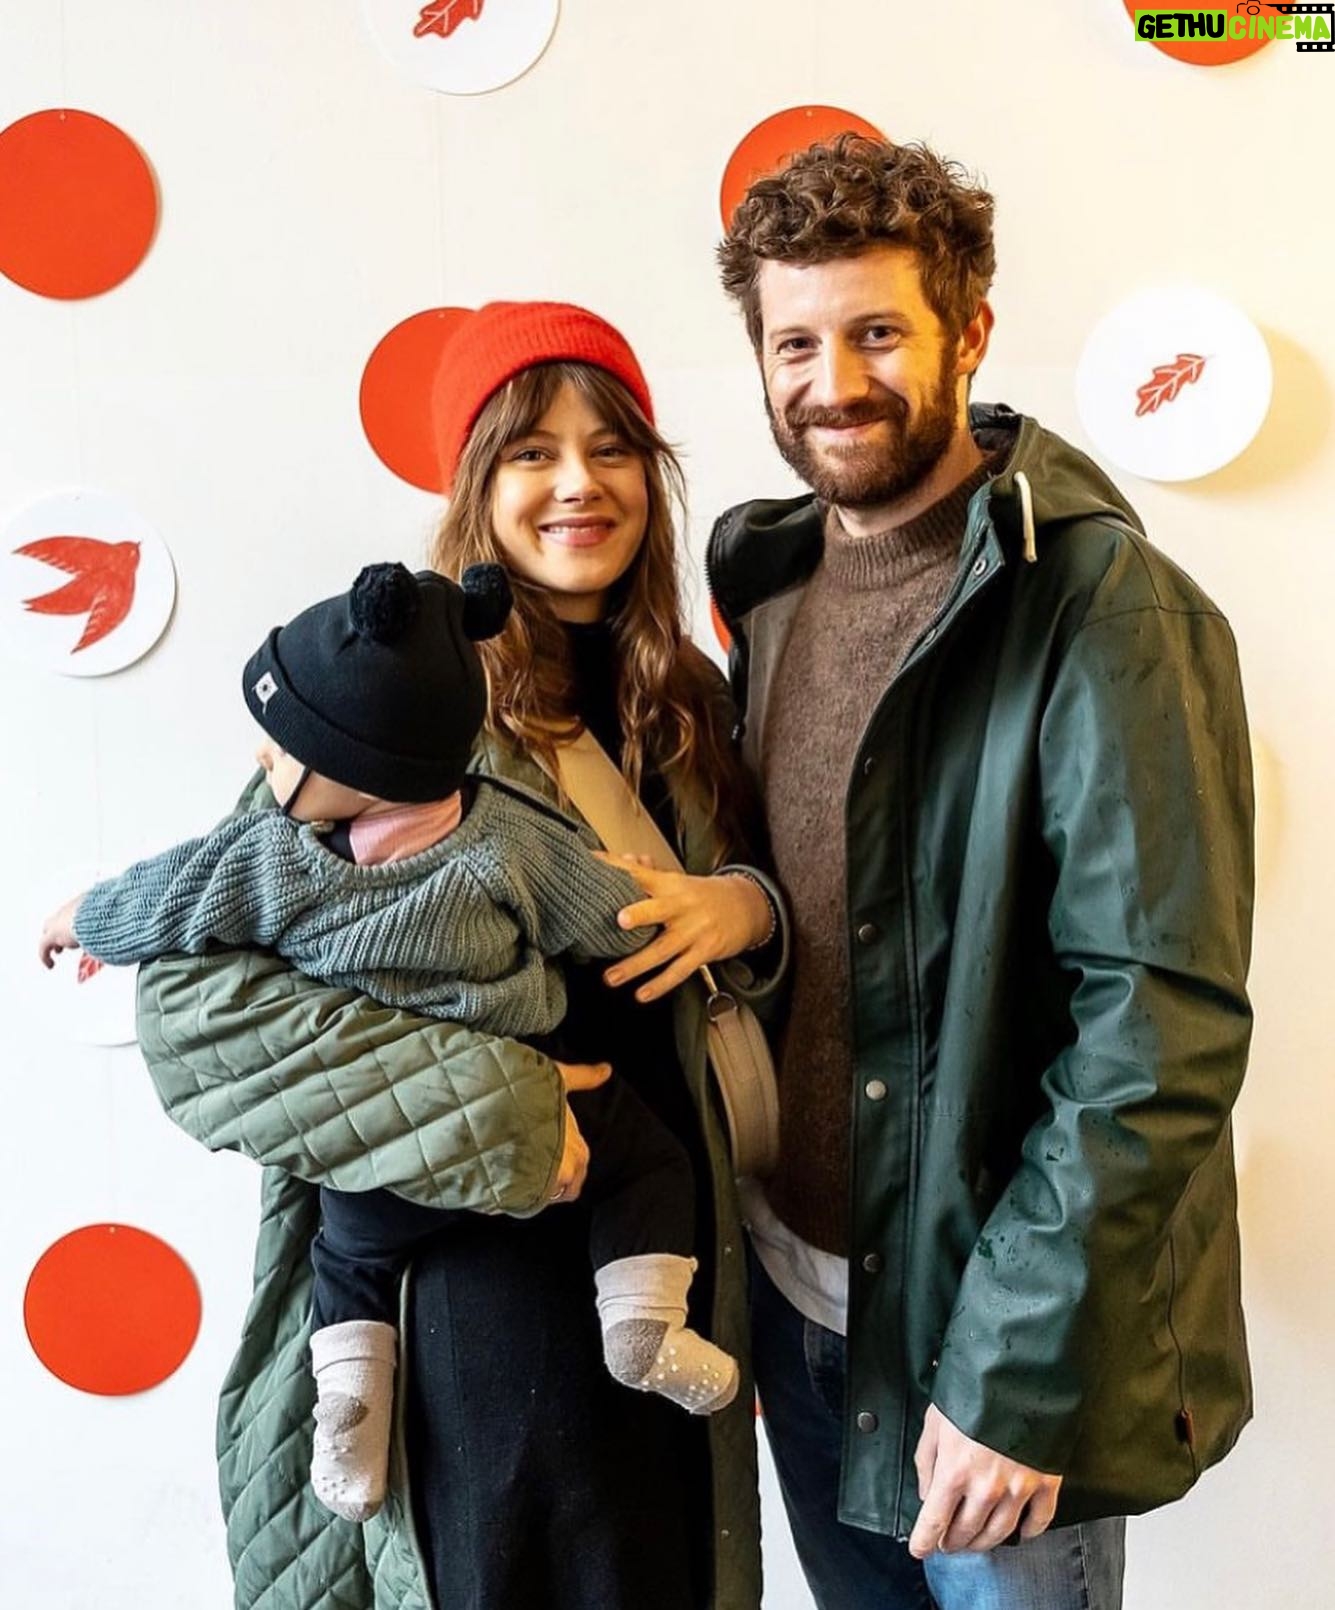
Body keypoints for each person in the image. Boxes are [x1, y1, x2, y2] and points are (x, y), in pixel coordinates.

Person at [131, 301, 786, 1610]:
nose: (577, 483)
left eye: (609, 447)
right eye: (532, 451)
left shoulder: (684, 701)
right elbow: (195, 1013)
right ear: (474, 485)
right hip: (475, 1290)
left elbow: (782, 935)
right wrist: (502, 1107)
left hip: (658, 1262)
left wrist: (747, 910)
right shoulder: (396, 706)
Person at [708, 135, 1254, 1610]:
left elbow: (1157, 1031)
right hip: (800, 1300)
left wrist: (1012, 1365)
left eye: (877, 332)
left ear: (969, 331)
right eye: (795, 342)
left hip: (983, 1348)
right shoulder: (770, 593)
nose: (833, 382)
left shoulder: (1105, 609)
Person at [39, 559, 742, 1526]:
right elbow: (613, 915)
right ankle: (644, 1324)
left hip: (389, 1159)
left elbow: (164, 897)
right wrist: (674, 901)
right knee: (652, 1166)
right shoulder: (506, 840)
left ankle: (347, 1412)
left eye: (285, 745)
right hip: (558, 1105)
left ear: (363, 766)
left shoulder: (273, 861)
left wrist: (82, 917)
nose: (263, 759)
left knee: (345, 1261)